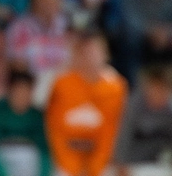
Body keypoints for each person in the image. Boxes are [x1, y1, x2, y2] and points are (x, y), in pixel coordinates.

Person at [45, 31, 126, 176]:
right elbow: (55, 129)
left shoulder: (116, 87)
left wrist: (94, 168)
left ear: (105, 54)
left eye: (94, 52)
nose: (90, 58)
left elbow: (111, 131)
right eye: (85, 52)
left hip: (101, 161)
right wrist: (72, 168)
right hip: (66, 162)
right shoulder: (62, 84)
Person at [112, 65, 172, 172]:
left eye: (162, 90)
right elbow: (123, 136)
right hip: (133, 163)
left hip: (162, 162)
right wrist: (120, 163)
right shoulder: (134, 105)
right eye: (154, 90)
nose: (157, 95)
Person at [0, 69, 51, 176]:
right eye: (18, 91)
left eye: (26, 91)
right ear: (9, 91)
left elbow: (45, 154)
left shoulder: (37, 118)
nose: (22, 95)